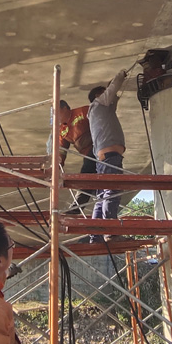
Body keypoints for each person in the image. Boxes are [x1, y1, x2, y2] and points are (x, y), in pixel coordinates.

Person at [87, 69, 128, 241]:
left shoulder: (98, 111)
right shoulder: (99, 103)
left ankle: (95, 236)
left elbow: (113, 99)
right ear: (99, 95)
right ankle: (110, 232)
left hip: (104, 157)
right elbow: (112, 91)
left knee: (102, 196)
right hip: (110, 156)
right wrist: (120, 76)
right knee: (112, 191)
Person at [55, 100, 97, 214]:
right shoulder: (62, 130)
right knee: (94, 182)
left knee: (85, 174)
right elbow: (62, 151)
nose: (55, 116)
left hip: (98, 147)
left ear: (64, 108)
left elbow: (100, 121)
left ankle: (76, 208)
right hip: (88, 155)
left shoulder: (82, 111)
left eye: (56, 112)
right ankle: (94, 206)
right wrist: (57, 166)